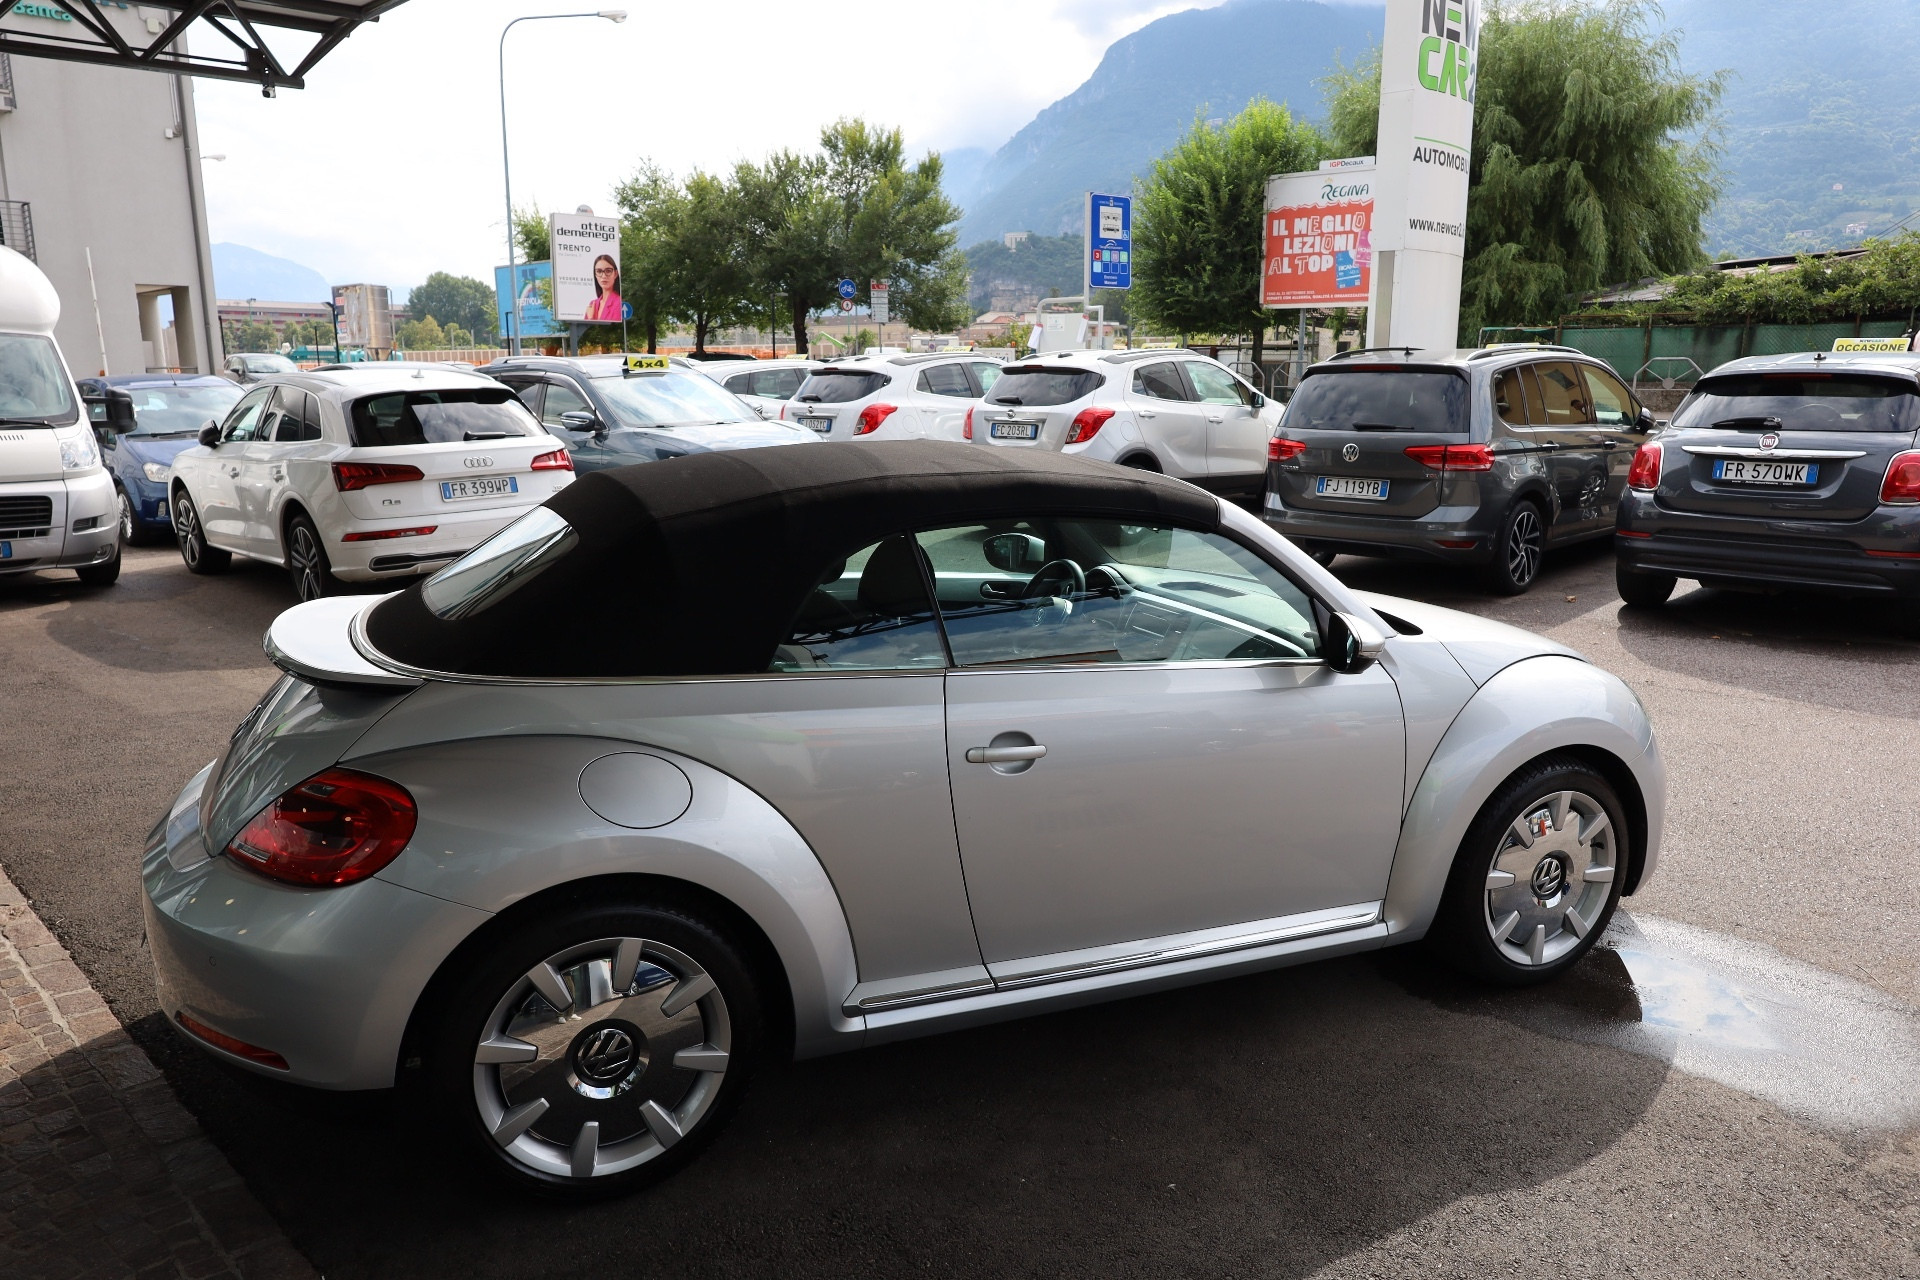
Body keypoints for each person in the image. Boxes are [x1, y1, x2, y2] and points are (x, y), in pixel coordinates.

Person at [585, 255, 623, 322]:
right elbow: (585, 328)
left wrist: (591, 318)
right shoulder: (593, 304)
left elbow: (613, 328)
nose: (603, 276)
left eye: (608, 271)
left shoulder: (619, 303)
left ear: (615, 274)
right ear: (595, 275)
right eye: (599, 271)